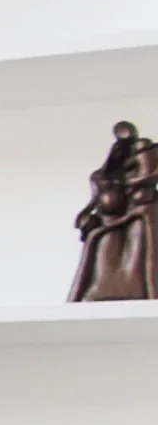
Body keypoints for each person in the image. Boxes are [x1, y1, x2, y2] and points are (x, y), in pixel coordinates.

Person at [70, 121, 158, 301]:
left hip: (136, 226)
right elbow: (94, 202)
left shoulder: (144, 189)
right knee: (106, 259)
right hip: (108, 228)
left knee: (136, 259)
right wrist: (86, 217)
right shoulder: (102, 178)